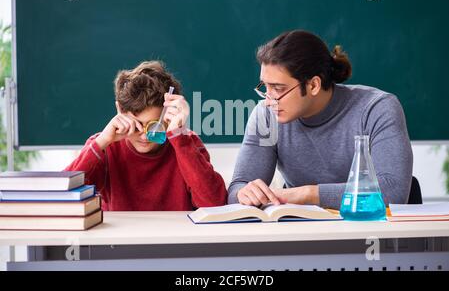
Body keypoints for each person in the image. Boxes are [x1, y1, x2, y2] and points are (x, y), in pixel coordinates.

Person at [227, 30, 413, 210]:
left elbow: (393, 191)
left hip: (368, 231)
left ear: (313, 85)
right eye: (264, 87)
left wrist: (308, 194)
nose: (268, 101)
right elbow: (237, 190)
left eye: (278, 88)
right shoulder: (266, 116)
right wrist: (245, 193)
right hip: (305, 232)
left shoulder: (377, 108)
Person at [65, 61, 227, 211]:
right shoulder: (105, 146)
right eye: (137, 125)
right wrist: (102, 142)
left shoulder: (185, 142)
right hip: (120, 240)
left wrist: (178, 137)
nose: (145, 136)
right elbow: (64, 197)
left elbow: (214, 204)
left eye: (154, 125)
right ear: (120, 110)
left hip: (175, 239)